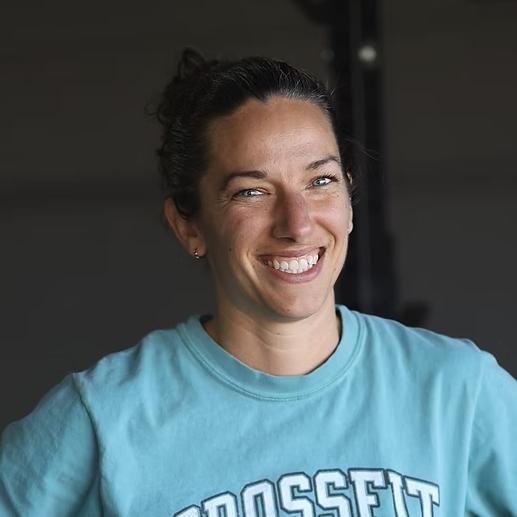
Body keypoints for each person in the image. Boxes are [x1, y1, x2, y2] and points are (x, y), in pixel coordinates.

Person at [1, 48, 516, 517]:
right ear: (188, 227)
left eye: (320, 181)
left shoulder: (458, 390)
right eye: (251, 191)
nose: (297, 223)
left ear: (348, 200)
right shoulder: (108, 416)